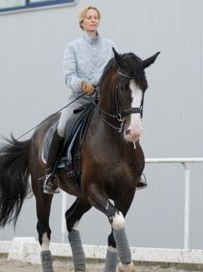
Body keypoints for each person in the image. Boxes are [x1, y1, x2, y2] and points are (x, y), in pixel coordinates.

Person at [43, 6, 147, 194]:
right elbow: (68, 76)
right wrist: (82, 84)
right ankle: (50, 174)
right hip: (81, 97)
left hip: (103, 98)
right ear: (81, 22)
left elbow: (118, 73)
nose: (93, 20)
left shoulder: (110, 46)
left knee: (126, 120)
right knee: (62, 125)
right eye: (89, 17)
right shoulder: (72, 47)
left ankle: (135, 170)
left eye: (95, 17)